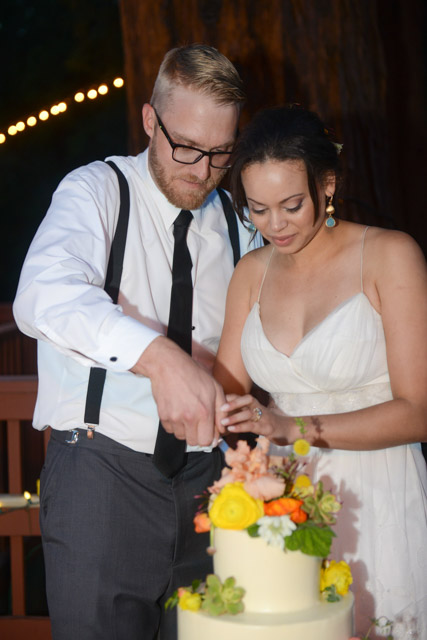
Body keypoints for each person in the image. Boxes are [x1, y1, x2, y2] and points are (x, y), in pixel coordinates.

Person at [13, 44, 261, 640]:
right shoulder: (95, 190)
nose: (202, 171)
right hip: (102, 478)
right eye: (186, 148)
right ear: (150, 121)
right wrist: (160, 361)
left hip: (215, 484)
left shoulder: (235, 221)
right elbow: (43, 294)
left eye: (220, 154)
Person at [213, 105, 427, 639]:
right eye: (257, 210)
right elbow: (227, 394)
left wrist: (293, 428)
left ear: (327, 184)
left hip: (378, 489)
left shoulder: (389, 254)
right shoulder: (250, 273)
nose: (274, 226)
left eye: (291, 205)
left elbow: (419, 411)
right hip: (284, 494)